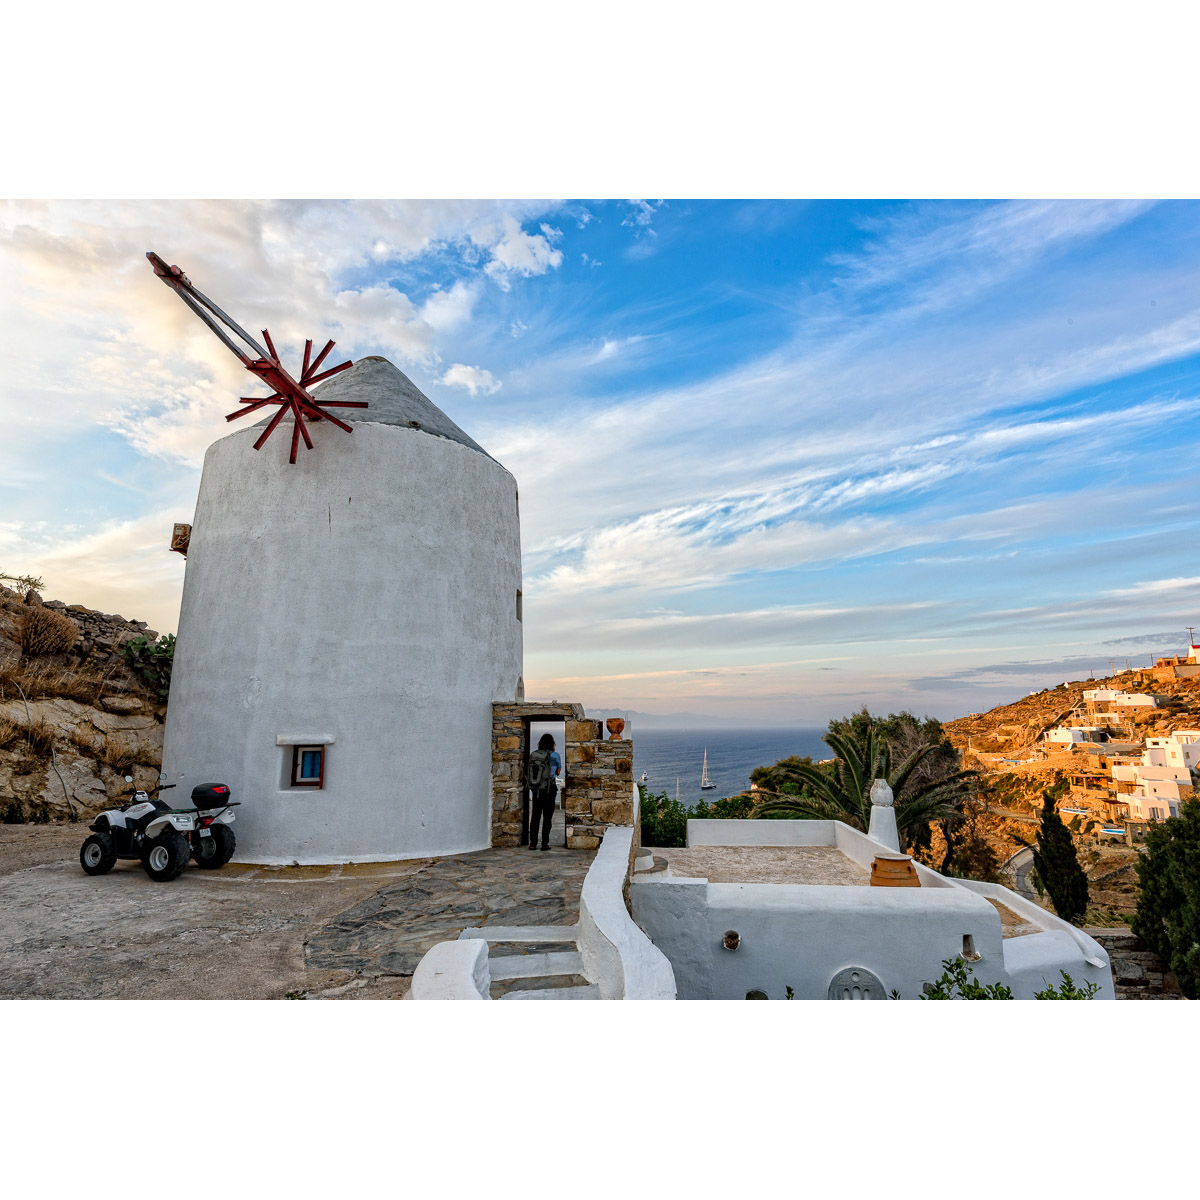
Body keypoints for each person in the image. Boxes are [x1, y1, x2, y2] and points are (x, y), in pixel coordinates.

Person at [528, 732, 558, 851]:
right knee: (547, 817)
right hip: (549, 789)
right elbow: (557, 772)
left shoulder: (533, 755)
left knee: (535, 816)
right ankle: (544, 844)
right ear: (552, 743)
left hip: (536, 790)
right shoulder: (554, 756)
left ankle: (532, 844)